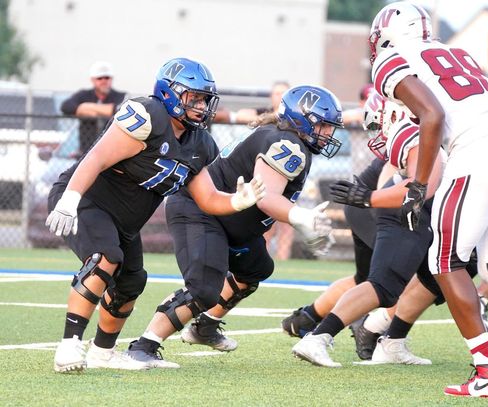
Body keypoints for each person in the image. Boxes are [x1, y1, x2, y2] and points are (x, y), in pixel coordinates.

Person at [363, 1, 488, 398]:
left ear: (386, 33)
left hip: (476, 155)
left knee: (444, 261)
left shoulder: (391, 59)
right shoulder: (457, 53)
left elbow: (433, 116)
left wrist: (418, 184)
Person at [47, 57, 265, 373]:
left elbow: (208, 199)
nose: (201, 105)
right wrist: (70, 199)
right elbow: (95, 158)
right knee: (104, 256)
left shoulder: (199, 143)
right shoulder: (147, 115)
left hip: (125, 221)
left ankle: (102, 353)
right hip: (88, 198)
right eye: (194, 97)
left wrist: (237, 202)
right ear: (169, 93)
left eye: (204, 98)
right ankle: (69, 345)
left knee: (132, 281)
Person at [125, 85, 343, 368]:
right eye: (323, 125)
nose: (328, 133)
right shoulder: (288, 144)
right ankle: (144, 345)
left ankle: (204, 327)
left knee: (256, 268)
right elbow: (267, 198)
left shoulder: (285, 139)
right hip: (201, 211)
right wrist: (301, 217)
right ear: (302, 119)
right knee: (204, 288)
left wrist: (300, 221)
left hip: (227, 219)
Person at [290, 91, 446, 367]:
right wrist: (367, 198)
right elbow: (399, 190)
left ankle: (318, 321)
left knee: (441, 273)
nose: (378, 131)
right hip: (390, 211)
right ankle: (323, 334)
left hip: (393, 209)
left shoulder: (415, 126)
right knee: (384, 284)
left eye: (379, 123)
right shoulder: (411, 132)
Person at [215, 81, 295, 260]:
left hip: (284, 175)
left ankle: (284, 261)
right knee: (266, 218)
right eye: (277, 93)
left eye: (284, 93)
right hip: (261, 177)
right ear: (271, 97)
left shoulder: (295, 124)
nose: (280, 96)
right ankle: (260, 254)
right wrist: (269, 117)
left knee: (287, 222)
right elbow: (240, 115)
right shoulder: (265, 118)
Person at [60, 61, 126, 156]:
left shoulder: (120, 96)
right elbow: (66, 107)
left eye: (107, 77)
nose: (104, 81)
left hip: (112, 152)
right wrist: (105, 110)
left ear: (111, 79)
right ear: (93, 80)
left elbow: (119, 110)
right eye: (99, 78)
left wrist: (87, 107)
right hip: (86, 152)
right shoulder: (84, 94)